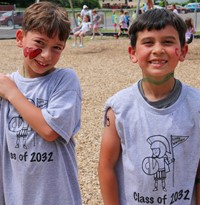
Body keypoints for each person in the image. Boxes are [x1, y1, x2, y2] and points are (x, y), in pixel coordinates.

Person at [98, 9, 200, 205]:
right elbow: (106, 166)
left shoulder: (196, 105)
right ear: (133, 53)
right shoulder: (119, 108)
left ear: (183, 51)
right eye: (148, 42)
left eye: (168, 42)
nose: (158, 49)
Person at [0, 2, 82, 205]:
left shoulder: (64, 80)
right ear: (20, 38)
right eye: (39, 43)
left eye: (57, 48)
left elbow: (49, 130)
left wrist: (12, 93)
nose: (47, 55)